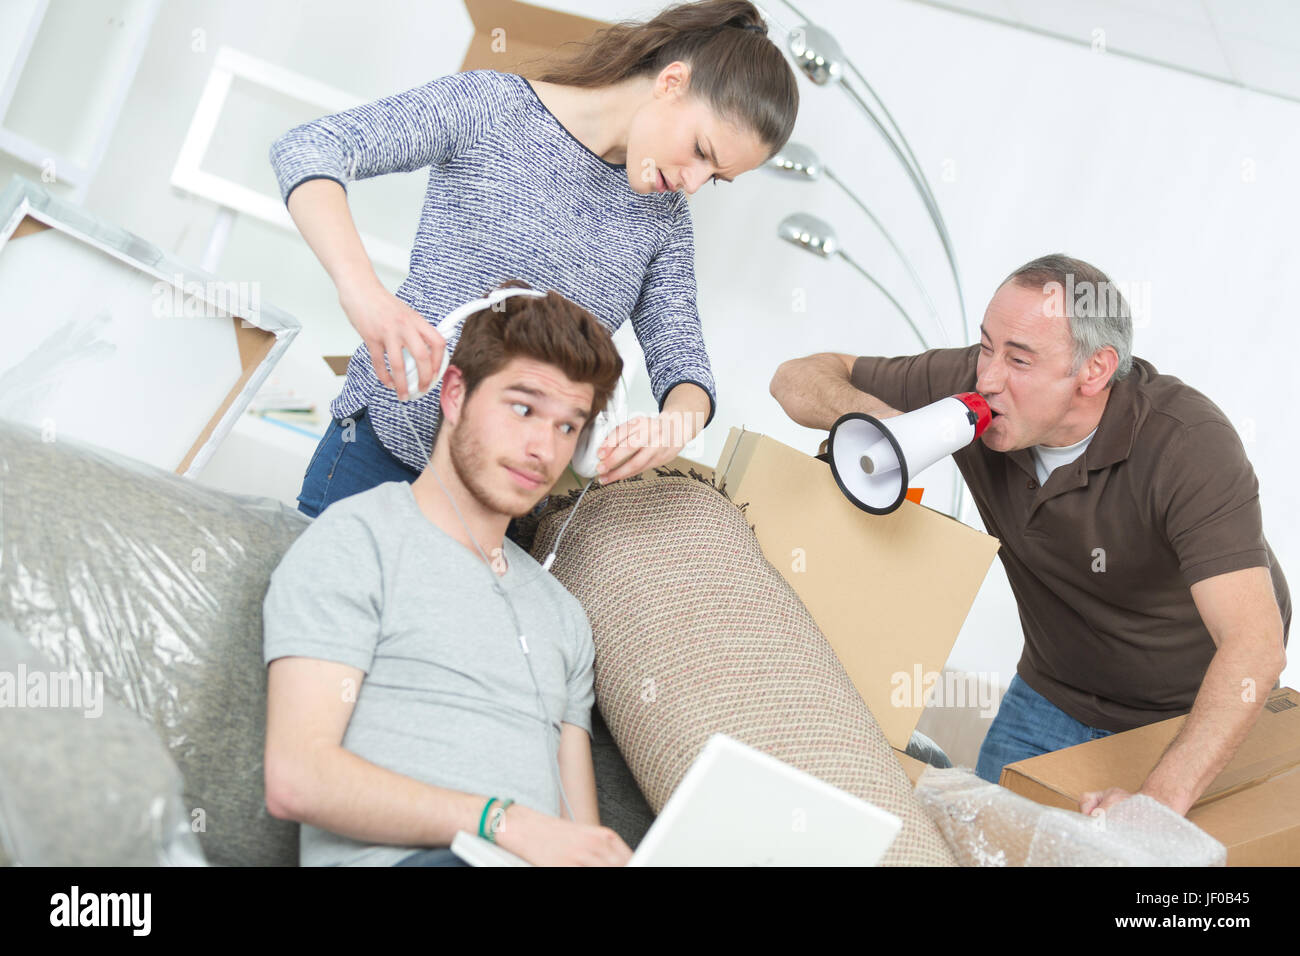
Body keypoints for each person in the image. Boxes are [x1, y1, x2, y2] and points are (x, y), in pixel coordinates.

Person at [769, 253, 1291, 817]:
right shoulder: (974, 384)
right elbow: (794, 378)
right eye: (985, 345)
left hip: (1183, 714)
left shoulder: (1188, 445)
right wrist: (887, 421)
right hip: (1053, 687)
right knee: (986, 848)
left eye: (1018, 359)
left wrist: (1159, 804)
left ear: (1094, 371)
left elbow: (1255, 647)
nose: (988, 377)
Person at [269, 0, 798, 519]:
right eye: (702, 151)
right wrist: (364, 293)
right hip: (377, 454)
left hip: (503, 508)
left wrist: (676, 424)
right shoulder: (494, 108)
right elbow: (311, 147)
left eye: (717, 179)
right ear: (671, 82)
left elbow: (683, 362)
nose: (695, 182)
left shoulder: (664, 221)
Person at [262, 284, 634, 866]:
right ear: (456, 394)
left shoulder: (563, 615)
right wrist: (498, 823)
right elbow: (297, 778)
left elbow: (576, 832)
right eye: (523, 407)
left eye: (569, 427)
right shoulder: (356, 540)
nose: (543, 448)